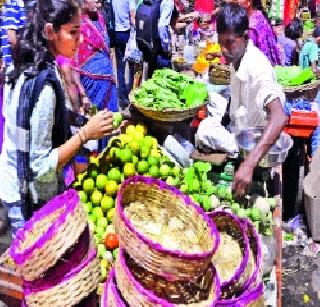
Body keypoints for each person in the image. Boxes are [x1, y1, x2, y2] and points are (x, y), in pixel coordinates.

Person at [0, 0, 115, 238]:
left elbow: (45, 122)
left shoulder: (33, 65)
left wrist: (91, 124)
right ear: (51, 31)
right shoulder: (42, 85)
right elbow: (40, 166)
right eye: (73, 32)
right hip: (27, 201)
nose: (80, 40)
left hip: (21, 189)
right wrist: (85, 134)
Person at [216, 3, 288, 194]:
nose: (223, 49)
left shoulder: (258, 68)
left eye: (229, 42)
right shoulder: (236, 58)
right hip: (240, 144)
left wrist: (249, 164)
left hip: (258, 156)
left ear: (245, 37)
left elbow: (280, 116)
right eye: (220, 42)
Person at [235, 0, 281, 66]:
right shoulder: (260, 15)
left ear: (249, 2)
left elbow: (249, 56)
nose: (237, 1)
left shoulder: (251, 26)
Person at [112, 0, 136, 109]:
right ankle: (131, 92)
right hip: (127, 33)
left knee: (120, 68)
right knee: (131, 66)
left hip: (116, 33)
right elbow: (132, 16)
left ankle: (122, 98)